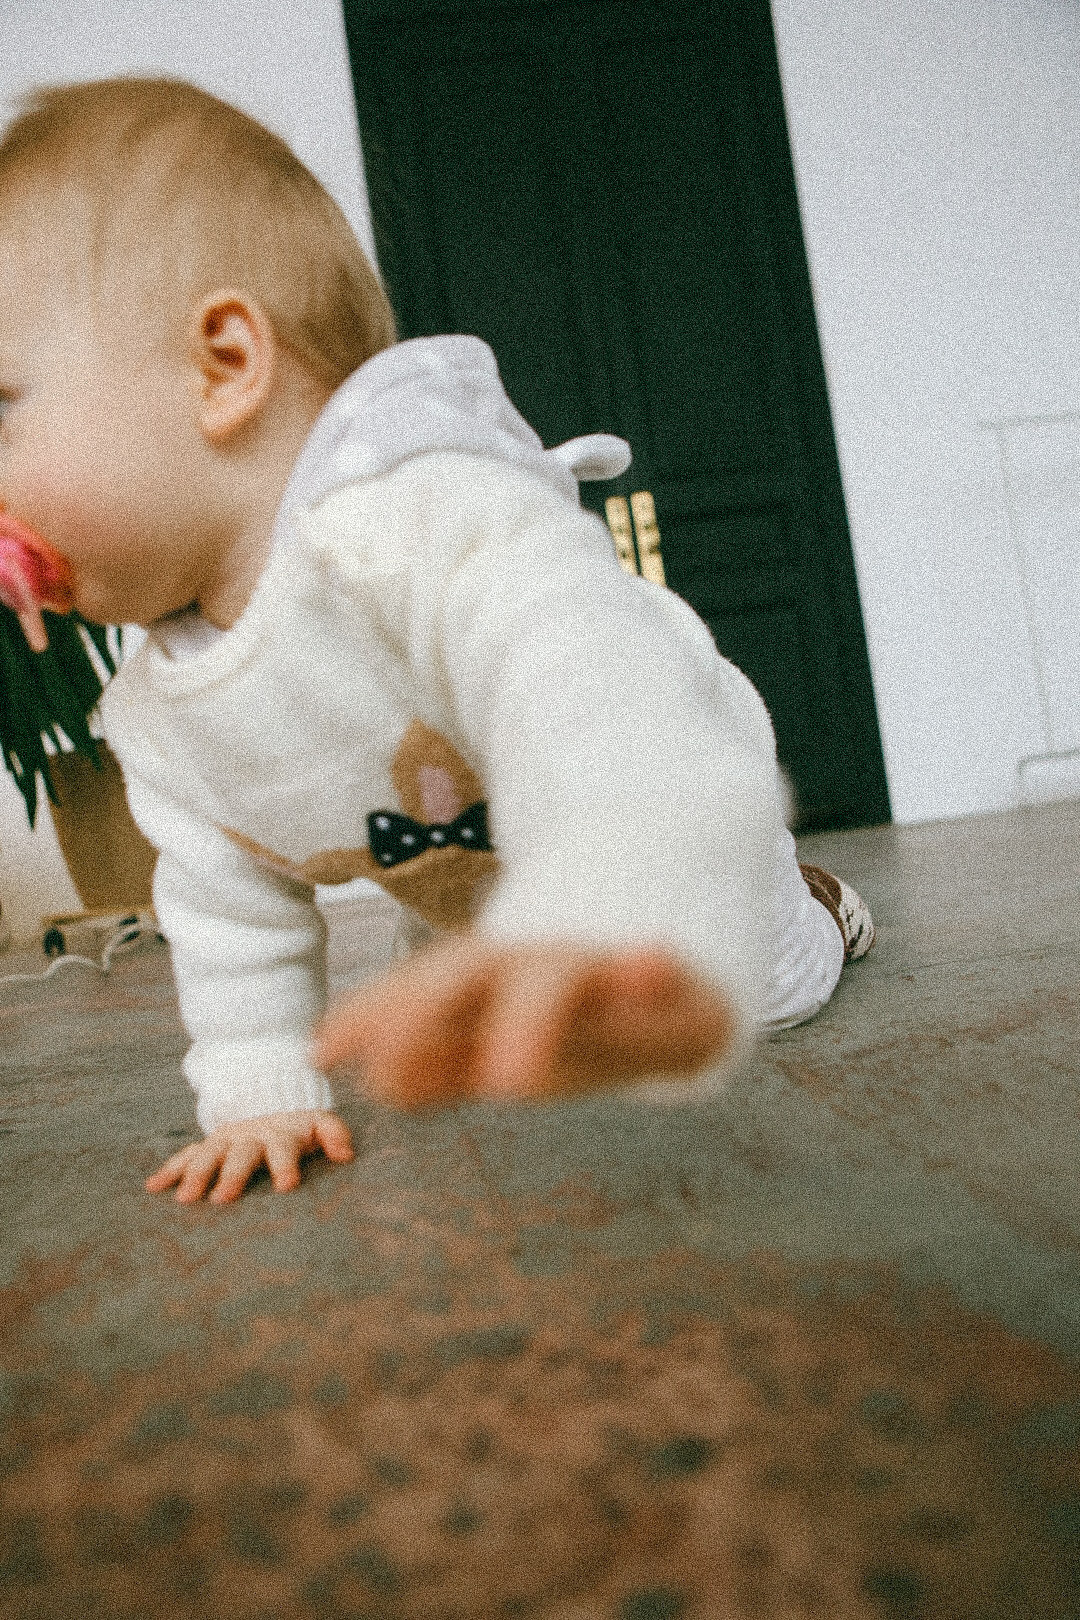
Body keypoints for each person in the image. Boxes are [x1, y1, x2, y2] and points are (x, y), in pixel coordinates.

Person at [0, 76, 874, 1205]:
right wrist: (263, 1091)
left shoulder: (417, 513)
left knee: (759, 988)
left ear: (223, 364)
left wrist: (605, 898)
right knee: (472, 1006)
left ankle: (818, 907)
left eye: (0, 408)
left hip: (663, 798)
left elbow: (596, 696)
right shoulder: (159, 715)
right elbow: (227, 906)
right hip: (465, 870)